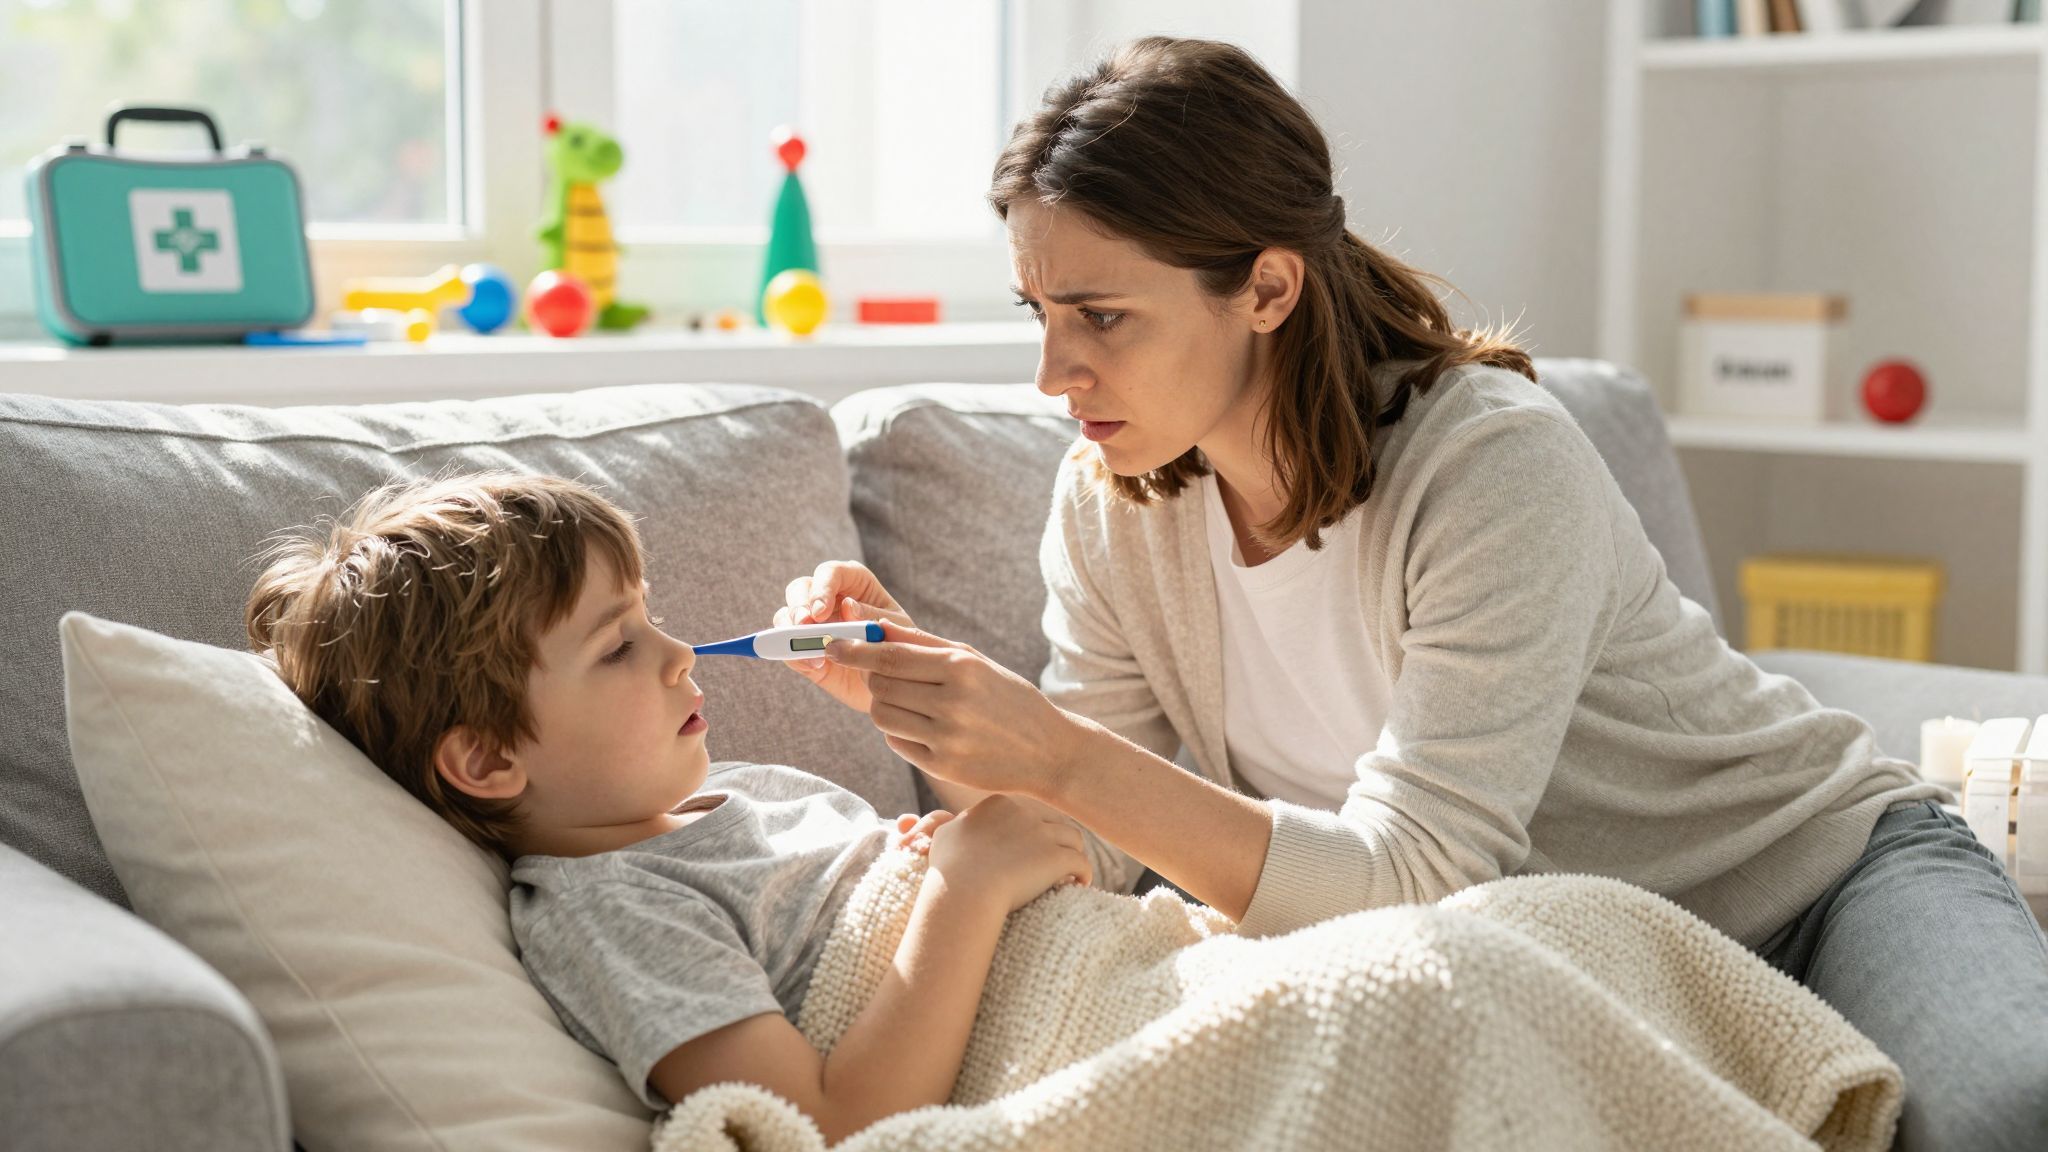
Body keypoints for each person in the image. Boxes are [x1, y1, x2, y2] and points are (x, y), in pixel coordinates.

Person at [780, 36, 2048, 1151]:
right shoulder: (1111, 505)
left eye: (1100, 316)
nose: (1055, 371)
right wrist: (923, 697)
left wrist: (1058, 759)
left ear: (1267, 289)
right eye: (1039, 311)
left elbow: (1417, 882)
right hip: (1595, 968)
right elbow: (1101, 841)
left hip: (1813, 885)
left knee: (2006, 1116)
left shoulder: (1488, 461)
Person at [245, 473, 1091, 1141]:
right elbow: (829, 1128)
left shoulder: (759, 789)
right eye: (617, 646)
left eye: (651, 618)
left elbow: (1056, 849)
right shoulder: (610, 909)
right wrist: (961, 891)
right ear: (488, 758)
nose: (679, 653)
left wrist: (930, 765)